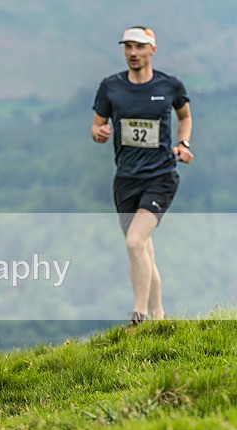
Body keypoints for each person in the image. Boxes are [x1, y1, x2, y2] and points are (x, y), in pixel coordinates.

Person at [91, 26, 193, 326]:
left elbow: (184, 116)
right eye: (128, 47)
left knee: (135, 242)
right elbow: (96, 126)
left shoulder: (170, 85)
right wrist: (99, 133)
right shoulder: (110, 87)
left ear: (152, 49)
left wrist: (183, 144)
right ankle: (160, 319)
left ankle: (139, 316)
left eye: (139, 47)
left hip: (161, 176)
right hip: (125, 178)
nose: (133, 53)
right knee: (143, 249)